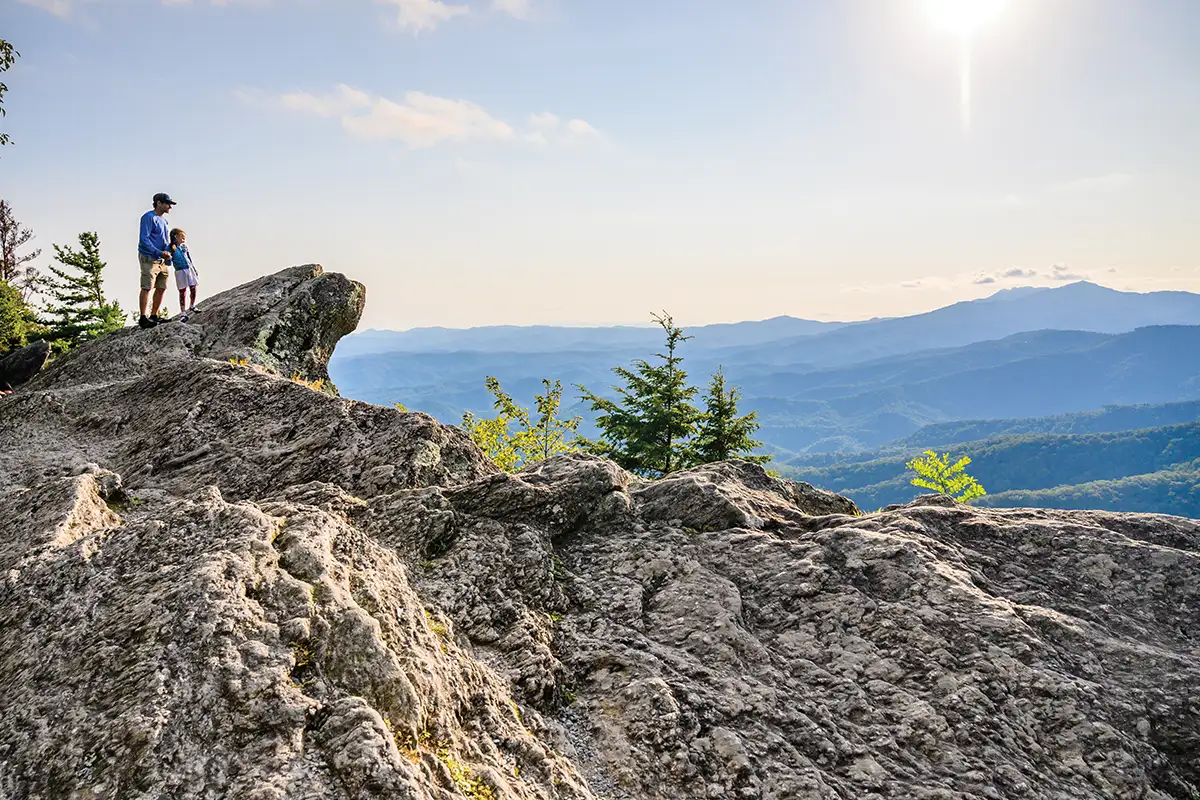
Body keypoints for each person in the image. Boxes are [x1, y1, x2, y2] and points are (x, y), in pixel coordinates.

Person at [137, 193, 176, 329]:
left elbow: (164, 240)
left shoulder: (164, 221)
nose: (170, 206)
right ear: (159, 203)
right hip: (149, 257)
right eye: (167, 203)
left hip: (162, 259)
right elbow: (144, 239)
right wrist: (158, 252)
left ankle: (154, 315)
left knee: (161, 287)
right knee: (147, 286)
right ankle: (143, 318)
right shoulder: (148, 217)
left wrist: (170, 249)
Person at [169, 228, 199, 319]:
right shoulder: (171, 248)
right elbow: (168, 260)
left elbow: (189, 258)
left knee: (193, 287)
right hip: (180, 270)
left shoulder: (184, 247)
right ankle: (183, 312)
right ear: (176, 236)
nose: (184, 239)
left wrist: (194, 268)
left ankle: (192, 305)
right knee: (182, 291)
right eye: (182, 237)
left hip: (189, 269)